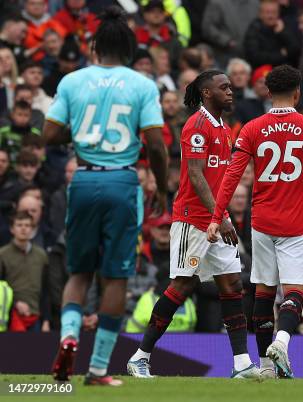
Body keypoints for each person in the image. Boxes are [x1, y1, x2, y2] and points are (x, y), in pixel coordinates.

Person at [43, 7, 168, 386]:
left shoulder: (73, 81)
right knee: (115, 277)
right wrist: (161, 187)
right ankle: (97, 368)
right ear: (129, 50)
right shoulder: (142, 85)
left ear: (94, 48)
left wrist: (80, 133)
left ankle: (67, 337)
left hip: (82, 180)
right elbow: (157, 146)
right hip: (122, 182)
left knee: (79, 272)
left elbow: (48, 135)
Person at [207, 64, 303, 379]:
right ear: (297, 93)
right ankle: (282, 341)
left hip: (262, 221)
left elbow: (232, 176)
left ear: (267, 93)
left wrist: (216, 216)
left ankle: (267, 366)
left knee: (264, 292)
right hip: (295, 222)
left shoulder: (252, 128)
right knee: (295, 289)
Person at [127, 69, 259, 379]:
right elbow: (197, 176)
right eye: (223, 87)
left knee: (232, 284)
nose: (230, 91)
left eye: (230, 87)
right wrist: (220, 217)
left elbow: (217, 177)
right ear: (207, 93)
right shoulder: (197, 125)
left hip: (215, 220)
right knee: (183, 285)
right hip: (193, 221)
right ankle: (139, 357)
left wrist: (220, 216)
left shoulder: (222, 127)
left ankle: (241, 364)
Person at [0, 211, 49, 332]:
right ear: (12, 229)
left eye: (27, 226)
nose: (23, 229)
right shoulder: (2, 254)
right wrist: (15, 303)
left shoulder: (41, 255)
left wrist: (47, 320)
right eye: (19, 225)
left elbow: (46, 290)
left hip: (36, 316)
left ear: (33, 230)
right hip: (10, 315)